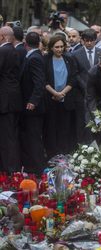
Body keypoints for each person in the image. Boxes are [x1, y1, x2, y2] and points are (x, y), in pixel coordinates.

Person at [43, 35, 76, 159]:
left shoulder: (69, 59)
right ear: (51, 47)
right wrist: (55, 93)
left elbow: (73, 79)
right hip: (50, 99)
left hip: (65, 99)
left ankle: (63, 155)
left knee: (64, 128)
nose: (59, 49)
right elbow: (43, 80)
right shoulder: (45, 60)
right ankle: (51, 155)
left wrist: (62, 93)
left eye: (62, 46)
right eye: (56, 47)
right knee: (51, 128)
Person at [72, 28, 101, 144]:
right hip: (82, 94)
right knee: (83, 122)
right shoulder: (75, 54)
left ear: (95, 40)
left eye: (91, 40)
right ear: (82, 41)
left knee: (99, 121)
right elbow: (75, 74)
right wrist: (85, 86)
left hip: (99, 94)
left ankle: (99, 147)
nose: (89, 43)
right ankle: (84, 147)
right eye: (86, 41)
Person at [19, 32, 46, 174]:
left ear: (25, 43)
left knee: (34, 137)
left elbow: (39, 82)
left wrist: (33, 101)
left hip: (33, 107)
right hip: (30, 106)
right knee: (30, 137)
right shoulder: (34, 56)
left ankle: (38, 168)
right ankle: (32, 166)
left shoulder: (34, 58)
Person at [0, 26, 22, 173]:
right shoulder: (14, 50)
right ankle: (10, 167)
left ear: (2, 36)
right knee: (11, 135)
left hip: (5, 100)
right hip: (13, 98)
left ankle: (9, 169)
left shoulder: (3, 50)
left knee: (6, 137)